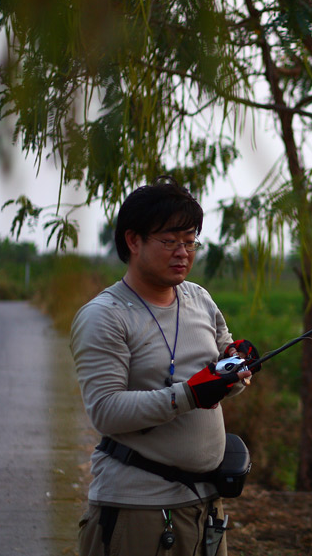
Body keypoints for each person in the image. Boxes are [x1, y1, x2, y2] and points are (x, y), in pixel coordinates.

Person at [71, 176, 258, 556]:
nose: (183, 253)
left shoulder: (200, 299)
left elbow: (223, 371)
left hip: (206, 506)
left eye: (190, 242)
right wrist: (188, 395)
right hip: (137, 509)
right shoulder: (104, 316)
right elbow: (105, 411)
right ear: (133, 240)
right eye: (170, 241)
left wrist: (239, 367)